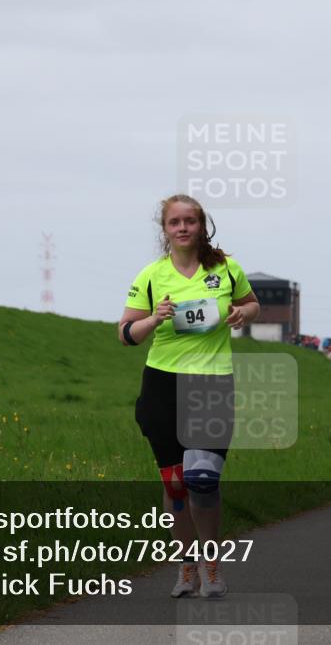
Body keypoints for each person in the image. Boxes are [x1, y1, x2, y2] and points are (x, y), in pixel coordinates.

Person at [119, 194, 260, 598]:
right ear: (165, 230)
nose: (182, 228)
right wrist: (154, 318)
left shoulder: (226, 269)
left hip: (211, 384)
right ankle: (186, 565)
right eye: (174, 222)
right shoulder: (151, 276)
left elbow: (252, 304)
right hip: (162, 385)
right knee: (176, 485)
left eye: (190, 221)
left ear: (202, 226)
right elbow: (126, 334)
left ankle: (210, 564)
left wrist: (242, 314)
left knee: (203, 480)